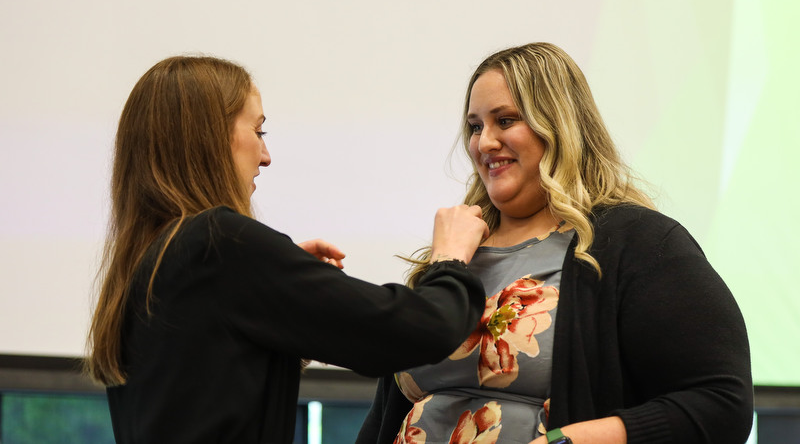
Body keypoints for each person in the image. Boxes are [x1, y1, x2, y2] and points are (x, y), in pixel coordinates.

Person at [356, 42, 753, 444]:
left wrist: (564, 441)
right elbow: (383, 414)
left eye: (505, 120)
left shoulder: (635, 242)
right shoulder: (456, 248)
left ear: (559, 125)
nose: (484, 143)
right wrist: (444, 265)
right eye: (475, 127)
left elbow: (720, 402)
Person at [85, 55, 491, 443]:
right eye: (258, 131)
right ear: (208, 138)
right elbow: (416, 331)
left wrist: (277, 292)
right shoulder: (221, 245)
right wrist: (449, 258)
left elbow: (211, 379)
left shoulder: (154, 259)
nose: (266, 156)